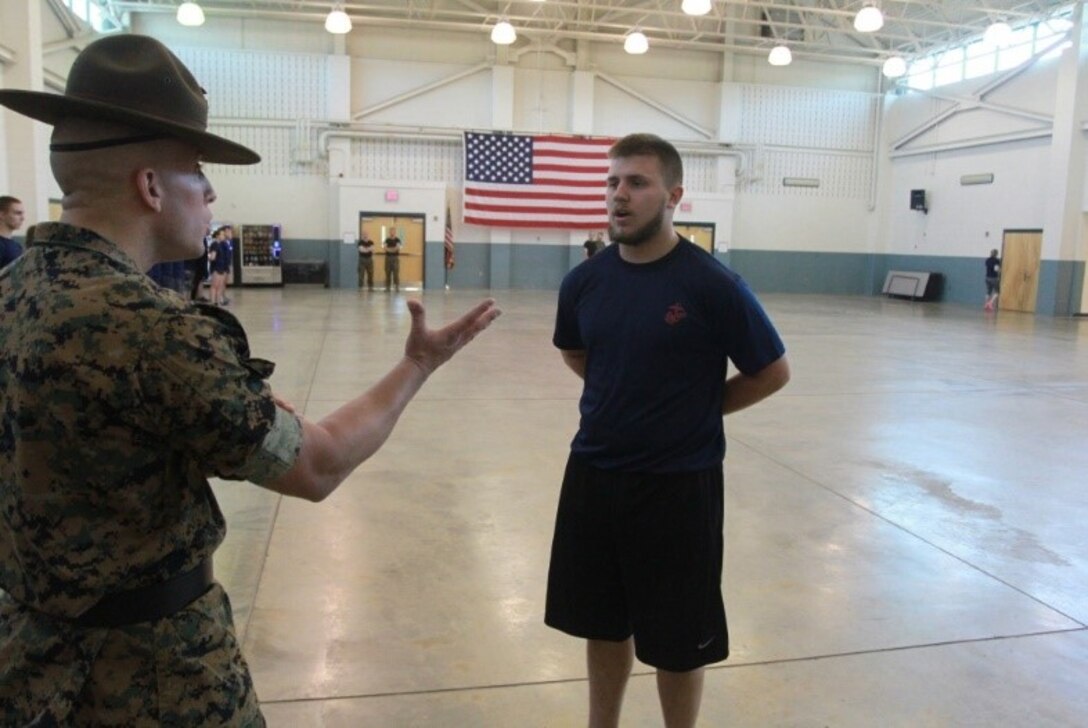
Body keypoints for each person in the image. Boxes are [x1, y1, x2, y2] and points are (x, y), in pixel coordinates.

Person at [0, 34, 500, 726]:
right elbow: (317, 465)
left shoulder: (10, 293)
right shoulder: (157, 333)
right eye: (196, 170)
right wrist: (417, 364)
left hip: (26, 672)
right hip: (154, 681)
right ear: (150, 186)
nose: (209, 191)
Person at [546, 133, 790, 728]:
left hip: (679, 485)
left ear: (673, 194)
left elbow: (771, 371)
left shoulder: (713, 285)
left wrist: (696, 412)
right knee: (602, 623)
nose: (619, 196)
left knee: (679, 639)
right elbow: (578, 353)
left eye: (637, 182)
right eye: (612, 182)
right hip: (595, 475)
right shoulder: (585, 282)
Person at [0, 195, 26, 268]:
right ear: (1, 215)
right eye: (18, 213)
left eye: (22, 213)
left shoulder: (17, 245)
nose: (23, 218)